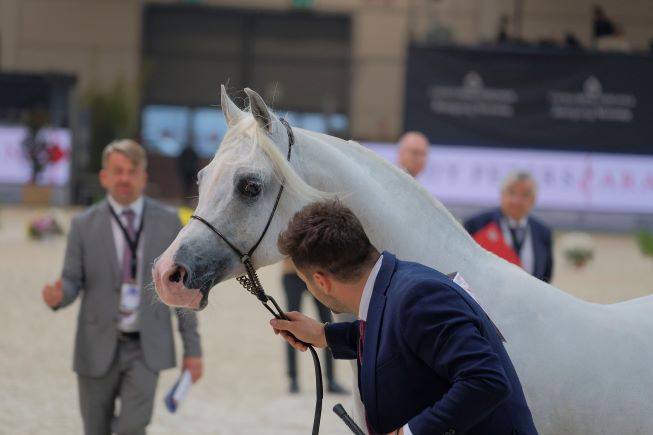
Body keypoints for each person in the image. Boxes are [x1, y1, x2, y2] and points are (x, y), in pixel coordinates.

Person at [270, 200, 538, 435]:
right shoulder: (394, 284)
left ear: (321, 281)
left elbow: (486, 381)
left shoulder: (420, 296)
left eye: (306, 282)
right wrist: (324, 335)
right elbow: (396, 338)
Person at [41, 139, 203, 435]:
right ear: (105, 177)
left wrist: (193, 351)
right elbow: (72, 280)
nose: (125, 178)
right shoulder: (82, 225)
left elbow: (182, 292)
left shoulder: (169, 223)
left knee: (133, 427)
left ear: (144, 177)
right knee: (95, 428)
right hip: (95, 344)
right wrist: (58, 296)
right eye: (118, 171)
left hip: (147, 346)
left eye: (132, 171)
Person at [464, 171, 553, 282]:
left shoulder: (543, 232)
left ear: (533, 199)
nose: (516, 200)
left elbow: (546, 277)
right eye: (512, 193)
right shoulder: (477, 225)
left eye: (525, 195)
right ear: (502, 195)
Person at [281, 259, 348, 394]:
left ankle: (331, 380)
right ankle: (293, 380)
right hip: (292, 274)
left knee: (327, 324)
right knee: (290, 327)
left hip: (316, 274)